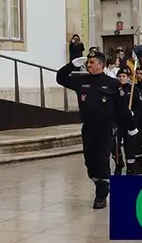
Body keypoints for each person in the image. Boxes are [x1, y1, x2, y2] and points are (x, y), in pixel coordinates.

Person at [56, 49, 135, 209]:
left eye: (92, 62)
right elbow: (60, 78)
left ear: (101, 65)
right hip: (89, 128)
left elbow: (122, 109)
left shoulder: (113, 84)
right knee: (90, 163)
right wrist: (72, 65)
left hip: (106, 129)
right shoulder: (82, 81)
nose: (88, 65)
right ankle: (100, 183)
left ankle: (101, 194)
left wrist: (131, 126)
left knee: (102, 160)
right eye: (88, 62)